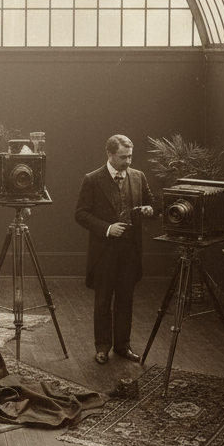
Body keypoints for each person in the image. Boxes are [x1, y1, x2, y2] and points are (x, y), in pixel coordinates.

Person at [74, 134, 154, 366]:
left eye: (130, 157)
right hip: (104, 252)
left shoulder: (138, 176)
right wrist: (108, 229)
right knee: (103, 302)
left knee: (125, 300)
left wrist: (150, 209)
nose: (128, 161)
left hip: (130, 251)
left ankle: (122, 346)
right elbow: (80, 214)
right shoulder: (92, 179)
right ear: (109, 154)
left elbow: (151, 202)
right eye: (122, 157)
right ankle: (102, 348)